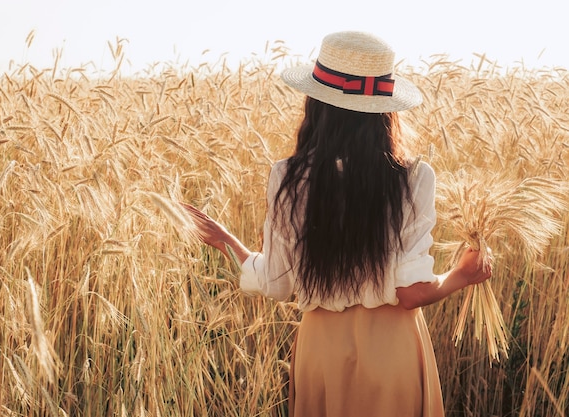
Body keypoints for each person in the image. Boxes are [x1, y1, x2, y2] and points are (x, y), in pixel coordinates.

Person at [182, 31, 492, 417]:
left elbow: (279, 284)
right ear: (385, 109)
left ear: (316, 104)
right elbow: (411, 292)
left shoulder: (288, 177)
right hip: (391, 354)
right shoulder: (413, 177)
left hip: (320, 355)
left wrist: (229, 243)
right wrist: (461, 274)